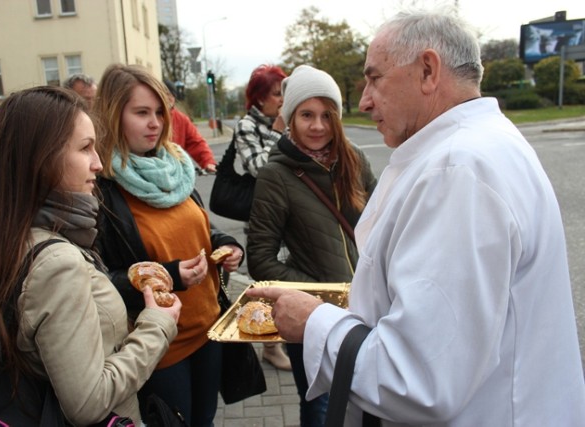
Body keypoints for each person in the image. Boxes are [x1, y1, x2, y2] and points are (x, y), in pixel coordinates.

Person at [247, 9, 585, 426]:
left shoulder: (459, 171)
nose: (365, 99)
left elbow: (417, 378)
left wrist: (314, 320)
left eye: (374, 78)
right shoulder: (475, 150)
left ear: (427, 70)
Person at [0, 86, 180, 426]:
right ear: (41, 161)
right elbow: (86, 403)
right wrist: (158, 324)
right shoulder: (59, 264)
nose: (98, 163)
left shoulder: (17, 236)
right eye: (85, 148)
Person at [93, 63, 244, 427]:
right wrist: (170, 276)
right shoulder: (102, 187)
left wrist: (226, 244)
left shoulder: (174, 167)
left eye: (160, 112)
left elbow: (200, 231)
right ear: (114, 116)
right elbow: (97, 283)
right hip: (158, 345)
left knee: (204, 421)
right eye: (141, 113)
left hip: (209, 329)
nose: (155, 123)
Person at [247, 64, 377, 426]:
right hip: (312, 319)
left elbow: (385, 221)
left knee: (366, 404)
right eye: (306, 114)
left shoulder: (354, 159)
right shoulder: (276, 175)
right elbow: (260, 257)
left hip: (367, 309)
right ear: (289, 118)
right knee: (322, 410)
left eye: (326, 114)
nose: (318, 125)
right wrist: (316, 296)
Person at [234, 64, 292, 371]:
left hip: (291, 212)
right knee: (268, 280)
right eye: (275, 93)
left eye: (284, 92)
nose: (282, 99)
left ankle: (286, 335)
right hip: (263, 216)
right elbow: (258, 165)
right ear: (258, 98)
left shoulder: (286, 121)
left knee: (290, 277)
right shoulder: (248, 126)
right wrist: (279, 132)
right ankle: (271, 344)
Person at [164, 79, 217, 173]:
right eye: (163, 94)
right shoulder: (149, 118)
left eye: (170, 94)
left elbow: (196, 142)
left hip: (176, 174)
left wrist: (208, 161)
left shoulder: (181, 119)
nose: (168, 98)